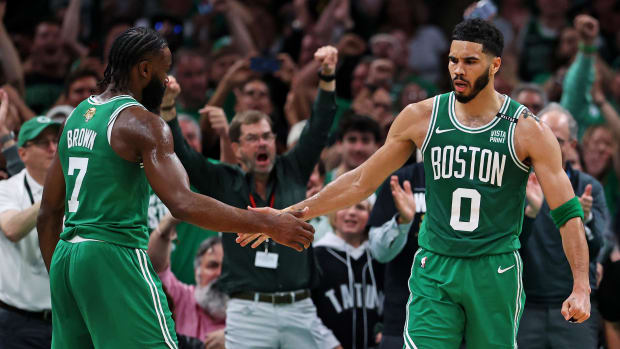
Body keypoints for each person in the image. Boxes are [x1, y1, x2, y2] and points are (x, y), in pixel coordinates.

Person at [240, 19, 592, 348]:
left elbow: (567, 211)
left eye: (470, 61)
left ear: (495, 65)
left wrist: (581, 286)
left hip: (494, 268)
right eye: (453, 60)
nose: (457, 69)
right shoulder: (421, 117)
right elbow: (362, 180)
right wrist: (286, 214)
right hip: (435, 265)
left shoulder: (527, 130)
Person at [36, 26, 314, 349]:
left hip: (66, 256)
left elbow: (48, 213)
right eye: (164, 71)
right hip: (114, 253)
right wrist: (268, 223)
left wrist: (60, 274)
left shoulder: (76, 117)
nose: (167, 81)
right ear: (144, 70)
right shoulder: (144, 124)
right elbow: (182, 202)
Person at [161, 45, 341, 349]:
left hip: (300, 307)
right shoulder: (225, 181)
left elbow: (320, 126)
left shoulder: (295, 168)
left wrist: (326, 76)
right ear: (237, 147)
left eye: (267, 136)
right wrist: (168, 110)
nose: (263, 144)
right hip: (247, 310)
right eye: (252, 138)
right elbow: (185, 156)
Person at [517, 104, 607, 349]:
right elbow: (507, 246)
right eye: (542, 134)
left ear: (572, 146)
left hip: (574, 305)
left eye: (557, 139)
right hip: (524, 307)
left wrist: (585, 219)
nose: (547, 142)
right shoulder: (517, 183)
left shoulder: (588, 187)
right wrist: (530, 214)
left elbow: (599, 246)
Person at [0, 115, 61, 348]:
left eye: (55, 141)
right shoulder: (6, 190)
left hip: (62, 320)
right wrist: (52, 196)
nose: (52, 148)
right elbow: (12, 229)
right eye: (43, 143)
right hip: (16, 322)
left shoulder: (77, 192)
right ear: (22, 153)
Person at [367, 162, 426, 349]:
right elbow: (379, 252)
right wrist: (402, 223)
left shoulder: (482, 177)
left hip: (463, 319)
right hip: (403, 318)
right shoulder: (401, 180)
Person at [313, 199, 384, 349]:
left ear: (371, 215)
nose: (352, 212)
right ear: (333, 214)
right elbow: (307, 310)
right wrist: (329, 343)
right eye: (344, 206)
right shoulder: (317, 255)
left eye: (360, 207)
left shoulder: (381, 257)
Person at [148, 216, 226, 347]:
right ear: (197, 272)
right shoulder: (181, 297)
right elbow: (154, 269)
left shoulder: (248, 310)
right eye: (212, 265)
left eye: (226, 268)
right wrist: (166, 226)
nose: (219, 274)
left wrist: (234, 338)